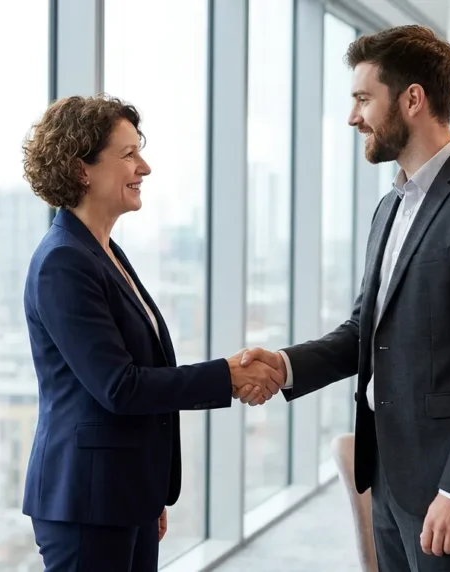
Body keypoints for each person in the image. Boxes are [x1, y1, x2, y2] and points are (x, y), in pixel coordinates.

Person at [240, 25, 450, 572]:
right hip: (391, 476)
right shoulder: (391, 206)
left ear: (413, 99)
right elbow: (364, 330)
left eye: (362, 98)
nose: (353, 117)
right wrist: (283, 366)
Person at [21, 94, 281, 572]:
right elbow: (119, 386)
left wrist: (145, 491)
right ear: (82, 169)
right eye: (128, 154)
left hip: (122, 494)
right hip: (86, 504)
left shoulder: (104, 251)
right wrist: (225, 375)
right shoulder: (63, 262)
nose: (145, 167)